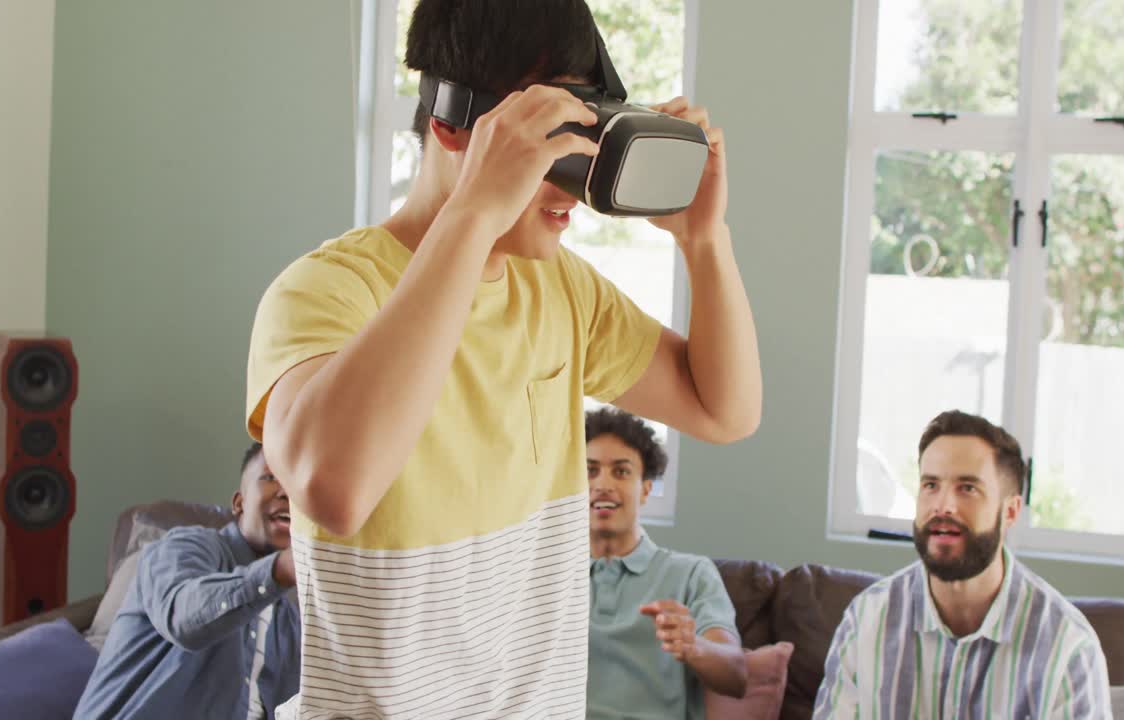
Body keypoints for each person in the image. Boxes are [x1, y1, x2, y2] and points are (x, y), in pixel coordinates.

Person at [244, 0, 762, 715]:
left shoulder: (558, 287)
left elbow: (724, 410)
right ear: (452, 125)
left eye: (583, 137)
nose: (575, 180)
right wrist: (475, 212)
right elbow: (333, 486)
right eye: (549, 139)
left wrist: (705, 242)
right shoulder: (326, 291)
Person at [813, 411, 1112, 719]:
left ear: (1010, 512)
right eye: (931, 485)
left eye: (967, 488)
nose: (943, 505)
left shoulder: (1067, 645)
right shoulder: (866, 620)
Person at [73, 443, 300, 720]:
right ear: (239, 503)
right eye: (271, 477)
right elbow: (184, 617)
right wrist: (280, 570)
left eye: (296, 482)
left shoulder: (288, 621)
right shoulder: (184, 548)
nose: (286, 492)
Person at [584, 408, 746, 719]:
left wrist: (694, 645)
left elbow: (736, 675)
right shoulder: (545, 573)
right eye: (590, 470)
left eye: (621, 471)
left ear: (645, 489)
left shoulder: (691, 574)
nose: (602, 483)